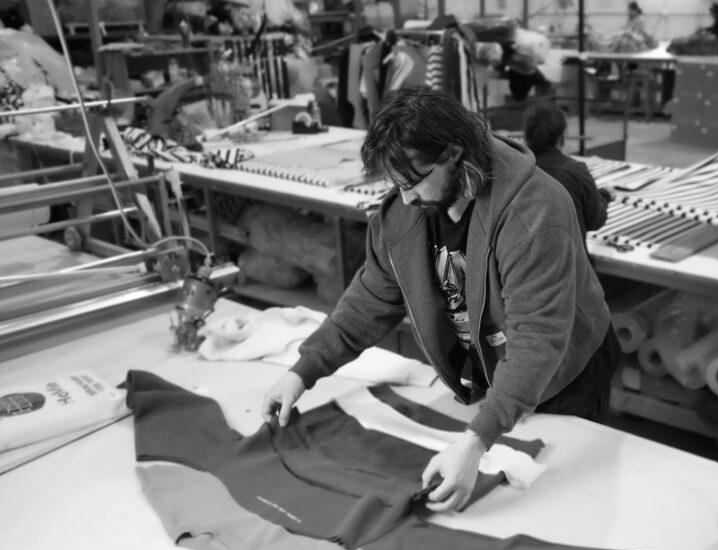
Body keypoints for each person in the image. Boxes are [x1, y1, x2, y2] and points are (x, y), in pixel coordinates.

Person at [261, 86, 619, 514]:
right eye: (397, 185)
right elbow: (369, 299)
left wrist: (477, 441)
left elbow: (537, 338)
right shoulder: (406, 209)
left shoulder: (534, 210)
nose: (406, 197)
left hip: (566, 376)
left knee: (558, 506)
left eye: (413, 182)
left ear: (453, 155)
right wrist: (303, 371)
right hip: (496, 369)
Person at [523, 100, 609, 239]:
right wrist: (604, 197)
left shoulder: (514, 171)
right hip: (570, 259)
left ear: (526, 135)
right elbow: (595, 220)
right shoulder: (575, 172)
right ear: (562, 135)